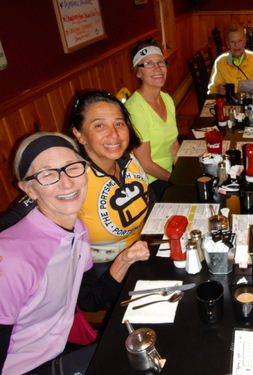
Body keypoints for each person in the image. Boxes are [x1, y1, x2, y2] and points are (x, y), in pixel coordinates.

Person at [0, 132, 149, 374]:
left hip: (56, 351)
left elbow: (89, 300)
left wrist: (124, 259)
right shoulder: (12, 259)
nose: (67, 182)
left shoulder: (77, 230)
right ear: (29, 189)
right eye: (47, 174)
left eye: (72, 167)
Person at [69, 90, 152, 275]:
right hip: (105, 271)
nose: (114, 134)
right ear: (79, 134)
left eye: (119, 123)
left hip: (143, 250)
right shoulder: (73, 181)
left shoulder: (130, 162)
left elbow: (149, 198)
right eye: (99, 125)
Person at [125, 37, 180, 200]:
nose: (157, 68)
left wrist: (186, 172)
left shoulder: (167, 99)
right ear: (137, 72)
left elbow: (174, 147)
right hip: (148, 181)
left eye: (161, 62)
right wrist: (176, 180)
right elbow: (146, 164)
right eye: (148, 63)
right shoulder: (135, 109)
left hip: (168, 173)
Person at [207, 24, 253, 97]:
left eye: (240, 41)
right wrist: (217, 89)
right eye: (232, 42)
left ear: (245, 42)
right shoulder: (220, 61)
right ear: (227, 44)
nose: (236, 45)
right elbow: (211, 87)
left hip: (250, 100)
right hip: (229, 101)